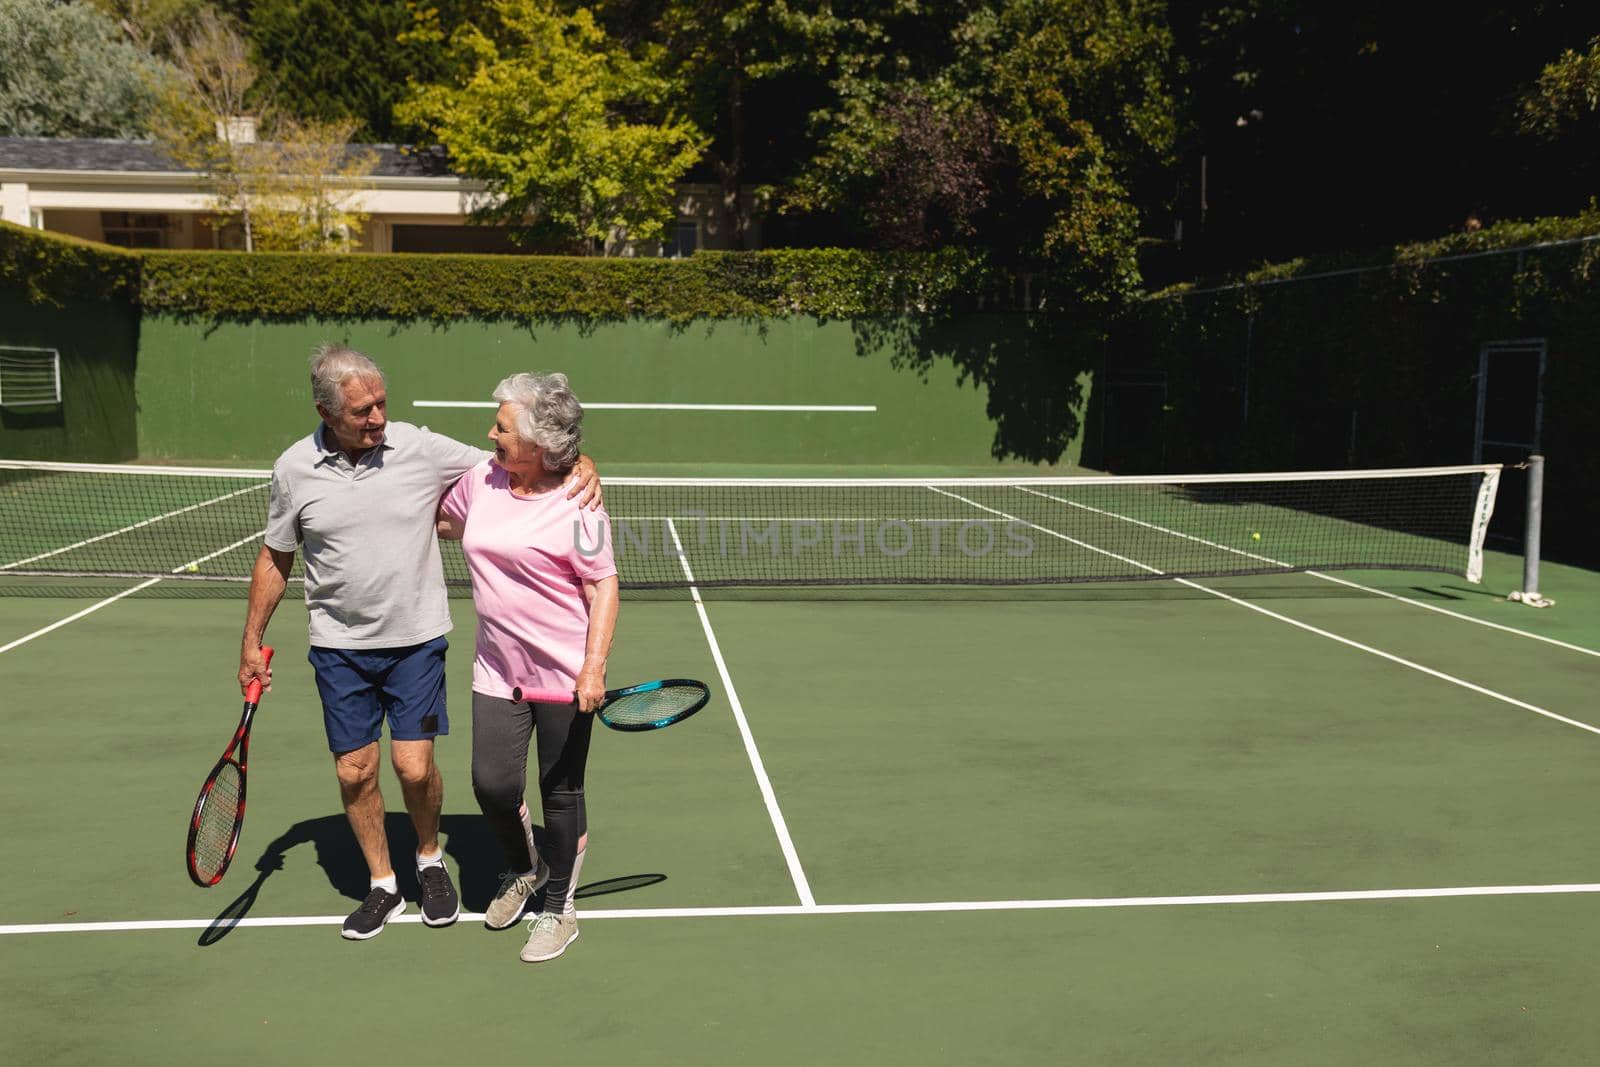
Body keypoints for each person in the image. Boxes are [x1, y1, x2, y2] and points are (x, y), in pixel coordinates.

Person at [237, 344, 601, 941]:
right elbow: (276, 557)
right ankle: (383, 884)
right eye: (362, 410)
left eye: (382, 402)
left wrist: (582, 462)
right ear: (326, 412)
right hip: (337, 645)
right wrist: (252, 641)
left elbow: (520, 459)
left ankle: (429, 862)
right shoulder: (292, 469)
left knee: (413, 765)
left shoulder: (418, 447)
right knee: (355, 772)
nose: (377, 417)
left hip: (416, 642)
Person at [436, 371, 618, 963]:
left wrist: (593, 666)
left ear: (541, 446)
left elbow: (603, 587)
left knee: (560, 792)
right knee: (492, 784)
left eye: (503, 428)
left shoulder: (578, 504)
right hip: (496, 668)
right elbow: (440, 517)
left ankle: (560, 908)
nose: (490, 433)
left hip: (565, 676)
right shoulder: (483, 479)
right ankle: (525, 867)